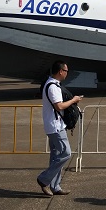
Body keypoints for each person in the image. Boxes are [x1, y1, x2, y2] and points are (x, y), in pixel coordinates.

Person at [37, 60, 82, 197]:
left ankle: (55, 186)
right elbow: (59, 106)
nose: (67, 73)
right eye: (66, 71)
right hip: (55, 127)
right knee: (66, 154)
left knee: (56, 156)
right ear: (61, 71)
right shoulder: (52, 87)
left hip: (55, 125)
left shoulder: (53, 84)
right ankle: (44, 179)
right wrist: (74, 100)